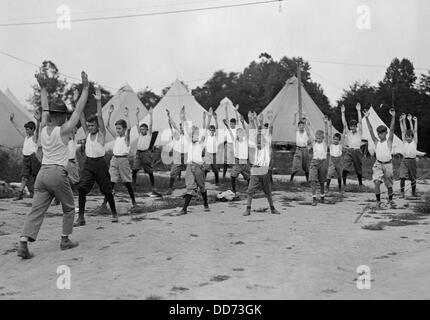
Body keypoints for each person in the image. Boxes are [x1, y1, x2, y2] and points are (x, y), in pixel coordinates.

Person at [17, 71, 89, 259]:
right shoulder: (64, 130)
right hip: (57, 173)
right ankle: (65, 240)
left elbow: (44, 107)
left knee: (36, 209)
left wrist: (42, 88)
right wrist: (86, 89)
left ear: (50, 115)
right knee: (69, 207)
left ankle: (24, 241)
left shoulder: (42, 128)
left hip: (42, 174)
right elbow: (79, 110)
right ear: (63, 116)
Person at [75, 87, 118, 226]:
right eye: (89, 125)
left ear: (97, 127)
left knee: (107, 190)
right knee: (81, 188)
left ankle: (114, 213)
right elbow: (80, 115)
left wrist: (98, 101)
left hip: (100, 164)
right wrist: (77, 100)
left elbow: (100, 117)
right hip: (88, 164)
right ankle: (81, 217)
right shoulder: (87, 133)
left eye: (93, 125)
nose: (90, 127)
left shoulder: (101, 134)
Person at [171, 107, 209, 215]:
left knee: (202, 187)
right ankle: (184, 209)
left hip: (199, 167)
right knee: (190, 187)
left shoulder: (201, 143)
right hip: (189, 166)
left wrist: (207, 118)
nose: (193, 136)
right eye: (192, 134)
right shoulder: (188, 142)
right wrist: (183, 117)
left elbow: (205, 129)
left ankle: (206, 203)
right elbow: (185, 128)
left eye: (196, 134)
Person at [97, 105, 137, 209]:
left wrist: (127, 116)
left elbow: (129, 128)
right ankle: (105, 203)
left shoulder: (126, 138)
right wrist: (110, 113)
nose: (117, 130)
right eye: (117, 128)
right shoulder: (117, 137)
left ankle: (134, 202)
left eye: (119, 128)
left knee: (127, 182)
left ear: (124, 129)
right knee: (111, 182)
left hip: (123, 160)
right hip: (114, 159)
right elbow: (107, 126)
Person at [243, 111, 280, 216]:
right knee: (250, 190)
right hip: (255, 169)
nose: (259, 144)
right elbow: (253, 131)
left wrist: (270, 119)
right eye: (257, 142)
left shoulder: (267, 144)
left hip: (264, 170)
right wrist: (252, 119)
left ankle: (272, 208)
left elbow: (270, 130)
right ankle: (248, 209)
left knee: (268, 191)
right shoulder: (255, 144)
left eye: (261, 142)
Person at [364, 108, 396, 209]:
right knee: (376, 182)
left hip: (388, 165)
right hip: (378, 164)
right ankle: (378, 202)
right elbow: (370, 131)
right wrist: (367, 118)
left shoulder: (389, 141)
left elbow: (391, 129)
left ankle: (391, 201)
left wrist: (393, 117)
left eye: (381, 133)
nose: (379, 135)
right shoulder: (376, 142)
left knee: (389, 186)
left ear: (385, 133)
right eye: (378, 133)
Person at [11, 115, 41, 200]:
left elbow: (38, 130)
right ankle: (20, 194)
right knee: (24, 177)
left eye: (28, 129)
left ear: (32, 129)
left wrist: (38, 122)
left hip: (33, 158)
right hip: (25, 158)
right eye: (26, 129)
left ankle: (37, 194)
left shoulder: (34, 137)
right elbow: (18, 129)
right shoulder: (26, 137)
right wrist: (12, 121)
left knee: (36, 177)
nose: (26, 131)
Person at [399, 114, 425, 198]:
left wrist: (413, 121)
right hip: (404, 161)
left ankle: (413, 192)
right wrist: (402, 121)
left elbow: (415, 131)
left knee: (413, 178)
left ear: (412, 137)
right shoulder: (405, 142)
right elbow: (403, 130)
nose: (407, 138)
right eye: (406, 137)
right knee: (402, 177)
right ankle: (402, 193)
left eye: (409, 137)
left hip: (412, 161)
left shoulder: (414, 142)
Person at [224, 114, 250, 195]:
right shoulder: (235, 141)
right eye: (238, 133)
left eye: (240, 133)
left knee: (249, 176)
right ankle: (234, 190)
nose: (239, 134)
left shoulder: (245, 140)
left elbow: (246, 132)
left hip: (244, 162)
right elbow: (230, 133)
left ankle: (250, 189)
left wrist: (242, 122)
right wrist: (227, 125)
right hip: (237, 161)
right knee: (233, 176)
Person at [132, 106, 156, 193]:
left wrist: (151, 114)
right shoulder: (140, 135)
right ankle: (133, 184)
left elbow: (150, 124)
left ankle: (153, 186)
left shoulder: (149, 135)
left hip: (146, 153)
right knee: (134, 169)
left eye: (143, 129)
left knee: (149, 170)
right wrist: (137, 115)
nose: (142, 131)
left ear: (147, 130)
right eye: (141, 129)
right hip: (138, 153)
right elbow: (137, 124)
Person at [341, 103, 363, 187]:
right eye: (351, 126)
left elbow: (360, 122)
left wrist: (358, 110)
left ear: (356, 126)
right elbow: (344, 123)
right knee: (345, 165)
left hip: (357, 151)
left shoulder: (359, 132)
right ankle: (344, 183)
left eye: (354, 126)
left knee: (358, 168)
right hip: (349, 151)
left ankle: (360, 183)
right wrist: (343, 112)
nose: (353, 128)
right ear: (350, 127)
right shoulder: (348, 133)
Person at [167, 109, 189, 194]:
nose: (181, 128)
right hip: (178, 156)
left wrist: (183, 116)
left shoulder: (187, 135)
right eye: (180, 127)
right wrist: (169, 116)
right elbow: (173, 125)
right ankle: (170, 187)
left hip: (187, 156)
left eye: (182, 127)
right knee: (173, 173)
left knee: (191, 172)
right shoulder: (178, 135)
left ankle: (193, 187)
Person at [308, 116, 329, 206]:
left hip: (323, 162)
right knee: (313, 180)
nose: (317, 139)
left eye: (319, 138)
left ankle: (322, 197)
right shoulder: (314, 143)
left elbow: (327, 133)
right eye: (316, 137)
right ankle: (314, 198)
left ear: (322, 138)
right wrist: (306, 124)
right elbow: (309, 134)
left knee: (322, 181)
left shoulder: (325, 143)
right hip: (314, 162)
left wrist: (325, 123)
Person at [203, 108, 221, 185]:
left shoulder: (215, 136)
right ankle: (202, 182)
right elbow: (206, 127)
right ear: (209, 130)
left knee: (215, 169)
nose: (211, 131)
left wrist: (216, 119)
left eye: (213, 130)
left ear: (214, 131)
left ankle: (217, 182)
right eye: (210, 130)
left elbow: (217, 128)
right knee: (206, 168)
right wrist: (208, 118)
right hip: (208, 154)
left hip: (214, 154)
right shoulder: (207, 136)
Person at [290, 113, 310, 182]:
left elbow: (307, 129)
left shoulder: (306, 132)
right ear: (298, 126)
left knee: (305, 165)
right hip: (298, 149)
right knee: (295, 164)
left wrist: (305, 120)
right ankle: (291, 178)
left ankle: (308, 179)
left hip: (305, 149)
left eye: (302, 125)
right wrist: (294, 116)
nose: (301, 126)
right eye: (300, 125)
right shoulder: (297, 132)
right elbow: (293, 124)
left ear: (304, 126)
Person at [222, 104, 240, 179]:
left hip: (234, 145)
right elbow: (226, 118)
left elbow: (238, 120)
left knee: (235, 160)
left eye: (233, 123)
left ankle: (234, 174)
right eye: (231, 123)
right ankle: (223, 175)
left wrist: (236, 111)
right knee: (226, 161)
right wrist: (226, 110)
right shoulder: (228, 127)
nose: (232, 125)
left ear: (235, 124)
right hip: (228, 145)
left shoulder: (236, 129)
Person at [326, 120, 343, 193]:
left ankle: (340, 188)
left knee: (339, 175)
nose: (335, 141)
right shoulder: (331, 145)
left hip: (338, 161)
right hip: (332, 160)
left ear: (339, 140)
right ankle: (327, 187)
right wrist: (329, 126)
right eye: (334, 139)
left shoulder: (340, 146)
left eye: (337, 139)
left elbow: (344, 132)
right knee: (329, 174)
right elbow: (329, 135)